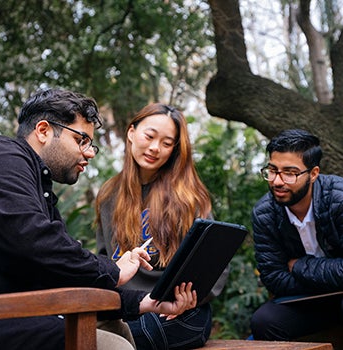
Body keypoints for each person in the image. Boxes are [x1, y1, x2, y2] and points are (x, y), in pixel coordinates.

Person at [0, 89, 197, 350]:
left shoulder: (40, 187)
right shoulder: (3, 156)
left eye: (90, 143)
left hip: (32, 309)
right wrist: (114, 270)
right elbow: (34, 241)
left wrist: (146, 301)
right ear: (43, 130)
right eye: (81, 140)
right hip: (7, 313)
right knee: (115, 346)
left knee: (117, 327)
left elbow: (62, 270)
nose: (89, 153)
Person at [95, 102, 227, 350]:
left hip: (181, 312)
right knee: (78, 332)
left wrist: (187, 299)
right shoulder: (108, 195)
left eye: (167, 143)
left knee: (127, 337)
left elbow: (215, 265)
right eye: (149, 136)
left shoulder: (188, 198)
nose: (155, 148)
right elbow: (105, 264)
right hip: (129, 308)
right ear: (131, 133)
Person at [250, 129, 343, 341]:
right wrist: (330, 277)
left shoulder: (339, 198)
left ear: (313, 173)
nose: (277, 181)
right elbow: (274, 278)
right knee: (264, 321)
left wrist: (299, 266)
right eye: (272, 170)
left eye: (290, 173)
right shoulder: (265, 213)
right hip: (304, 301)